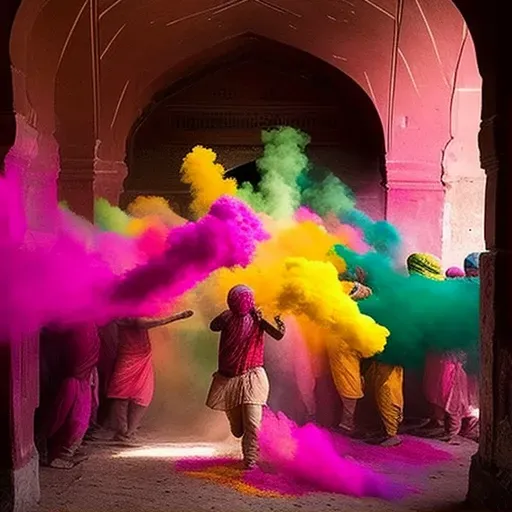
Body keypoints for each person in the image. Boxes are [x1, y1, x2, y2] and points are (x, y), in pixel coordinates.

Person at [206, 285, 285, 469]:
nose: (240, 303)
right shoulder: (227, 317)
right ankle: (240, 435)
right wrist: (225, 315)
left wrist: (275, 321)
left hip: (252, 376)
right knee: (238, 428)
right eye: (236, 299)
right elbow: (213, 326)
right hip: (228, 378)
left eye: (244, 299)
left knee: (252, 423)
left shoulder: (258, 318)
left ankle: (250, 459)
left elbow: (278, 335)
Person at [107, 310, 194, 444]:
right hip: (128, 356)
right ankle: (124, 432)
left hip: (141, 356)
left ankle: (128, 432)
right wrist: (178, 316)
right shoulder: (125, 313)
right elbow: (143, 323)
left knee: (142, 395)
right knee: (121, 394)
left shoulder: (130, 309)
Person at [39, 323, 100, 468]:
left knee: (70, 416)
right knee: (73, 418)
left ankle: (61, 453)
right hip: (73, 378)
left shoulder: (84, 325)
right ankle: (61, 454)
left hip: (77, 376)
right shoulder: (81, 327)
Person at [327, 278, 372, 436]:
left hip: (346, 355)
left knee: (350, 390)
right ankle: (346, 425)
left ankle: (346, 423)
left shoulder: (341, 301)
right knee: (350, 391)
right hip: (343, 355)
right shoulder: (344, 313)